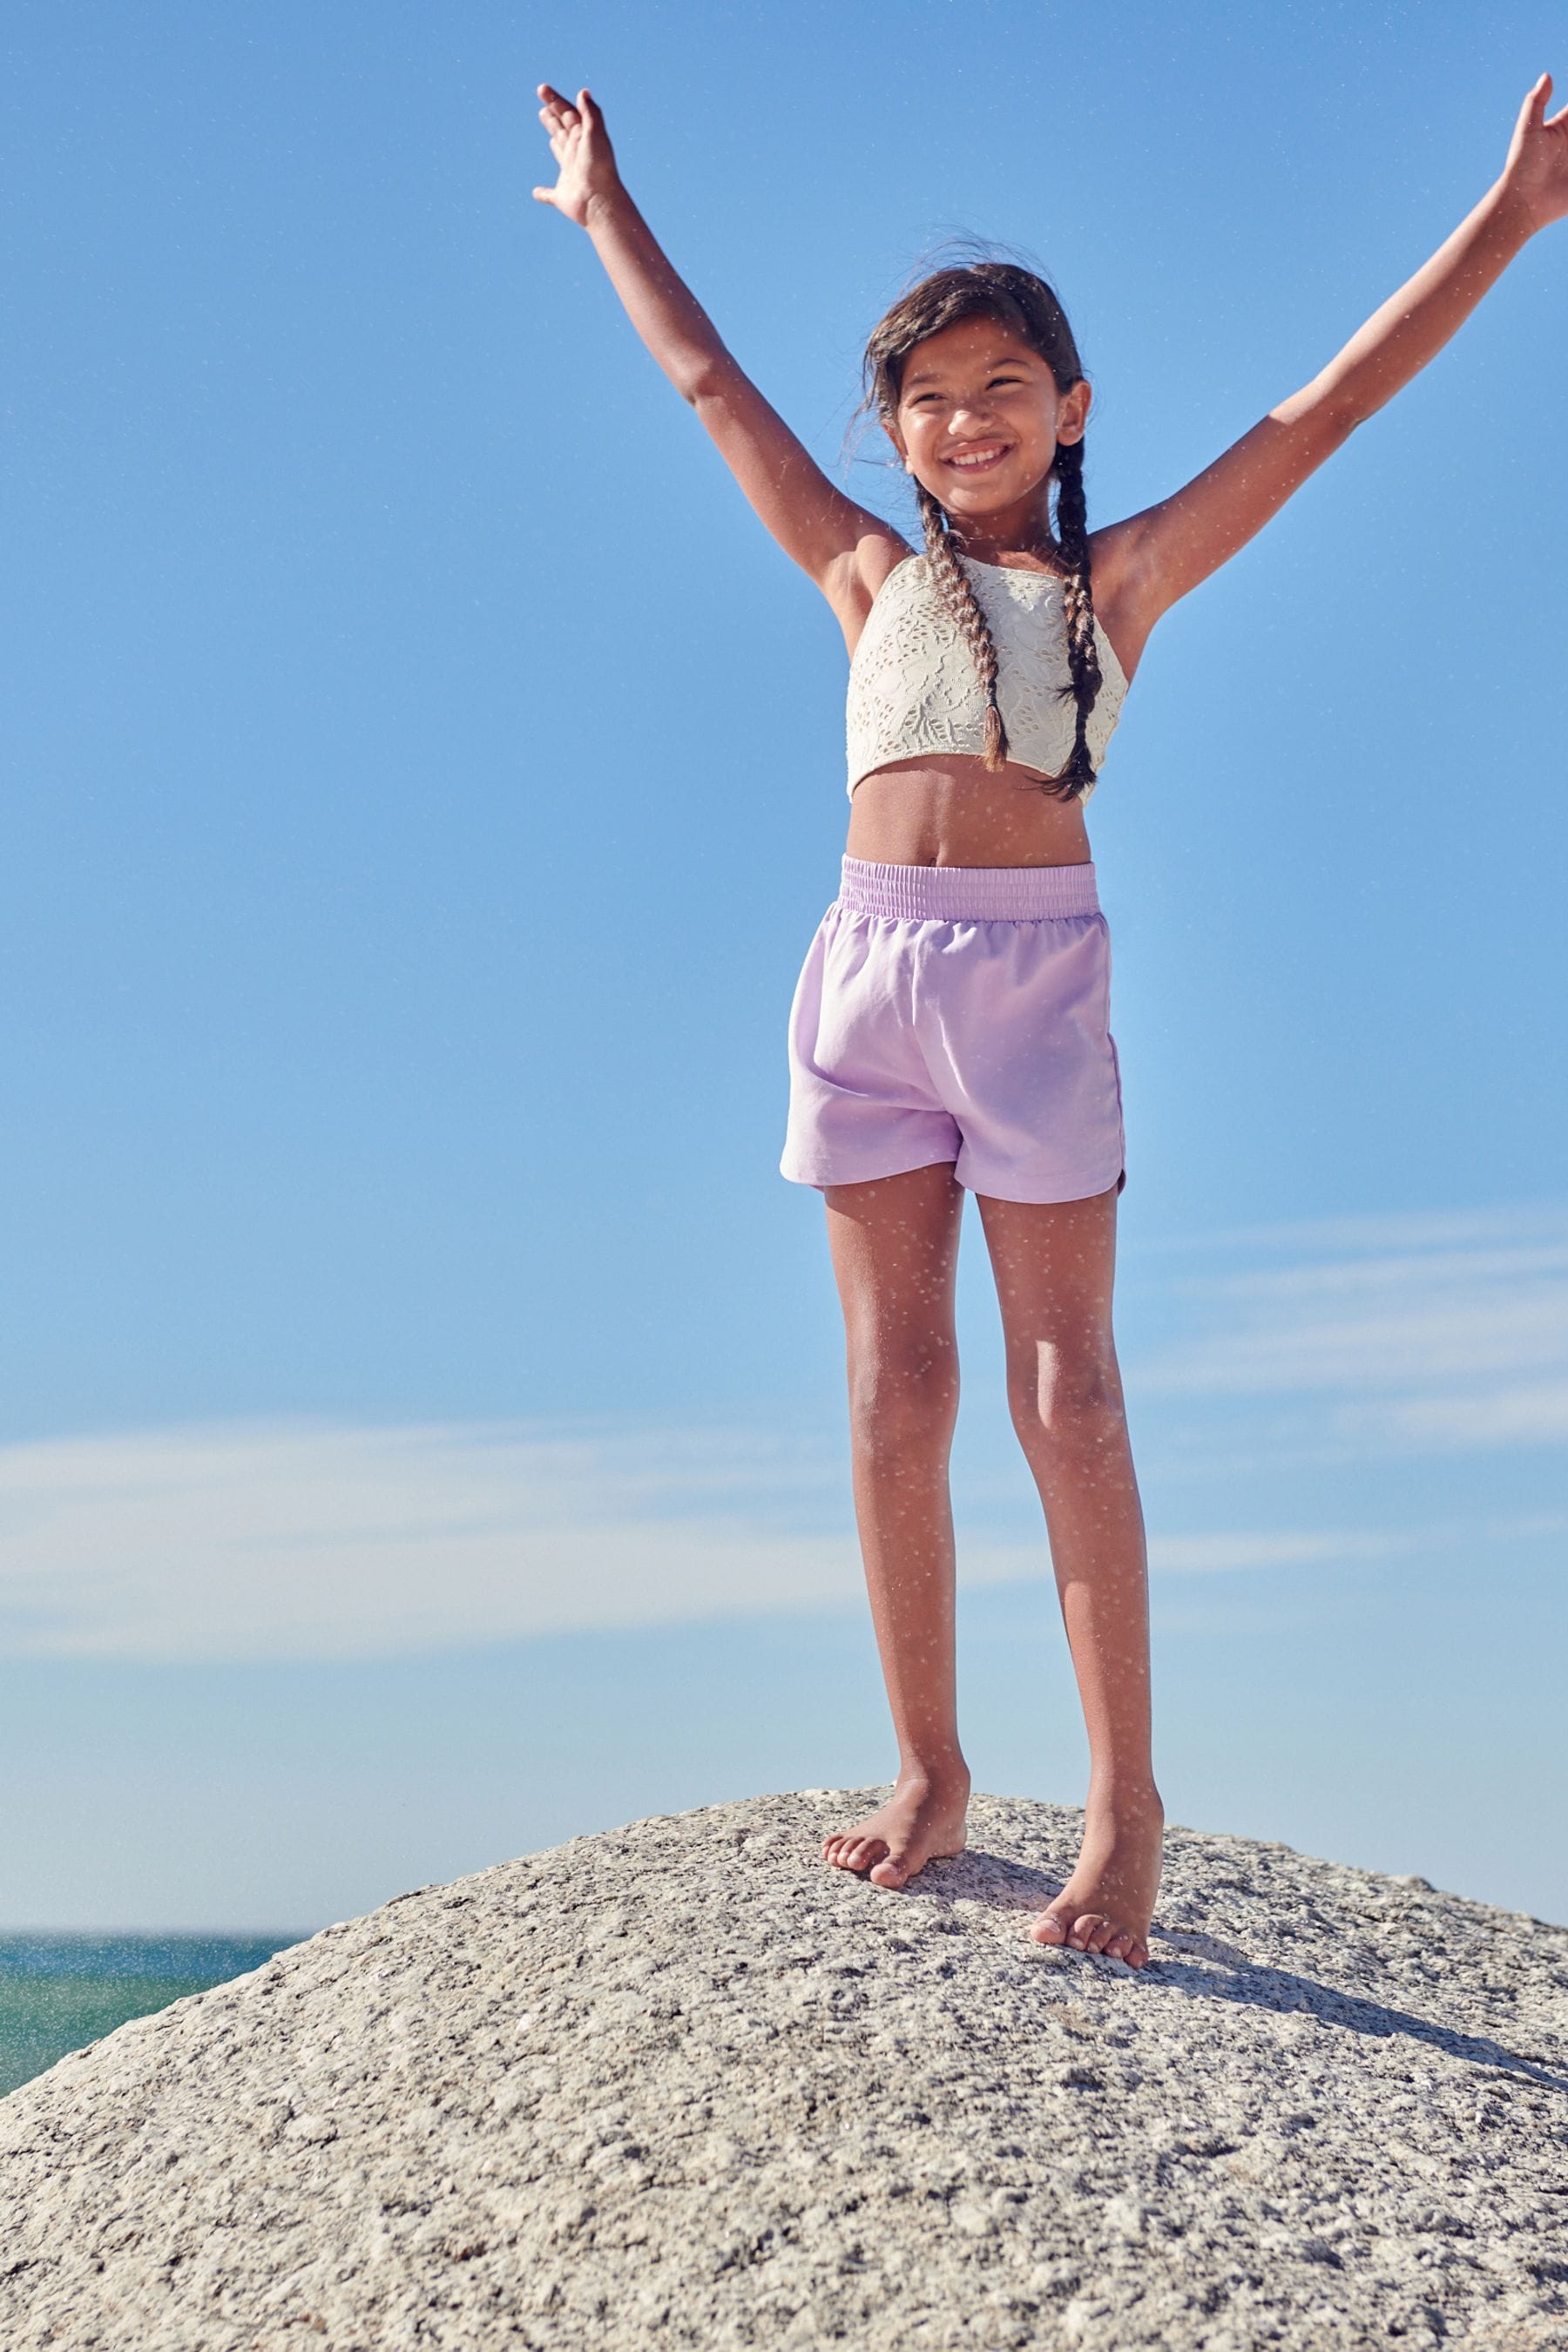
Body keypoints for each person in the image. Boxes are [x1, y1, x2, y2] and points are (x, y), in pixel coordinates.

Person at [532, 76, 1566, 1968]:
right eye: (930, 396)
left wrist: (1511, 217)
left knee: (1066, 1392)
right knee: (888, 1387)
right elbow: (708, 390)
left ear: (1067, 411)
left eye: (1004, 384)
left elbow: (1322, 412)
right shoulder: (860, 574)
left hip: (1031, 988)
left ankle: (1122, 1806)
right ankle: (930, 1768)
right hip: (864, 977)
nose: (965, 417)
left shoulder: (1115, 583)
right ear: (900, 431)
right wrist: (603, 207)